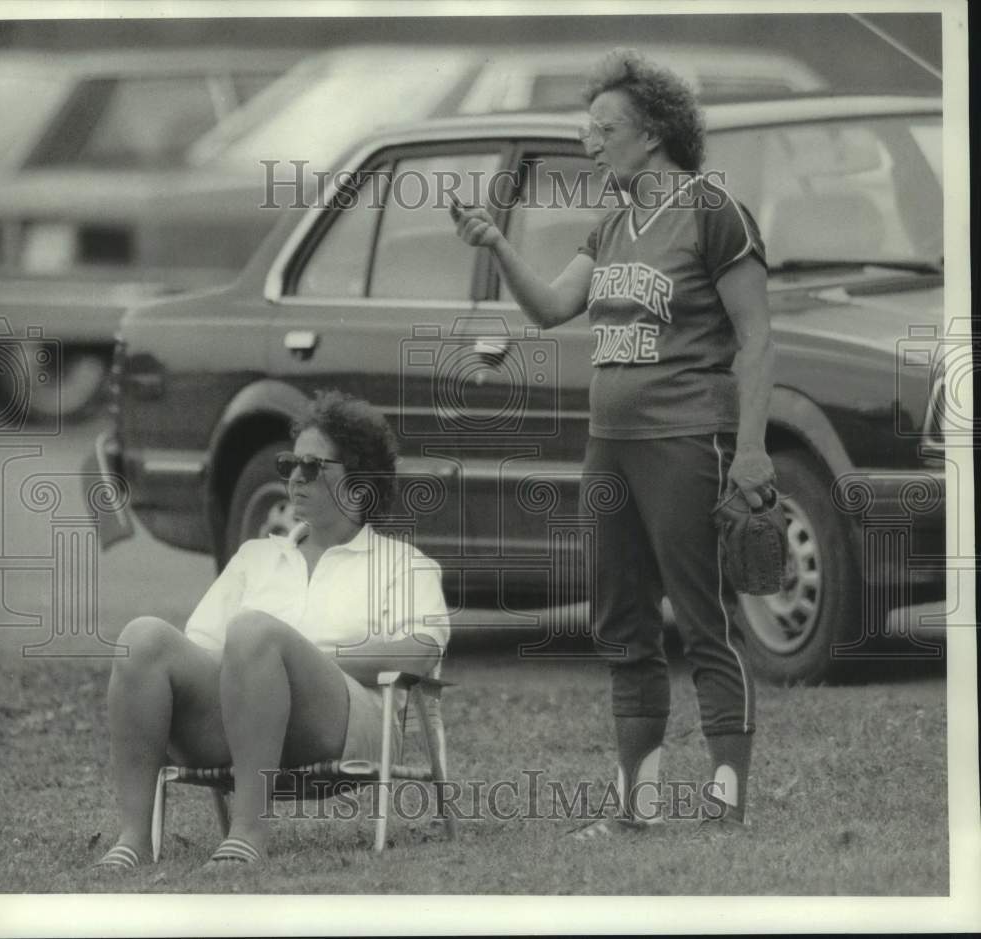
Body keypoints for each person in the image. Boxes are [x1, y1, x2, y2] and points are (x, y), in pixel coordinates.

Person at [451, 49, 774, 833]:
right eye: (586, 129)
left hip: (687, 438)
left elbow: (757, 337)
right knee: (623, 624)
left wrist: (753, 448)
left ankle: (725, 804)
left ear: (653, 132)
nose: (589, 142)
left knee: (704, 619)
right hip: (611, 444)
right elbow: (550, 308)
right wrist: (496, 243)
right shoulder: (613, 222)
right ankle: (638, 806)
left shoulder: (714, 213)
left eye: (604, 128)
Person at [94, 390, 449, 870]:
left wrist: (303, 660)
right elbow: (201, 651)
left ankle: (248, 834)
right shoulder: (255, 557)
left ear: (360, 482)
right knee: (143, 638)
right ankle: (134, 839)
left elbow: (419, 654)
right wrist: (262, 667)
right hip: (240, 723)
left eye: (312, 466)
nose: (295, 477)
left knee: (254, 632)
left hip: (346, 724)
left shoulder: (403, 564)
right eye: (289, 464)